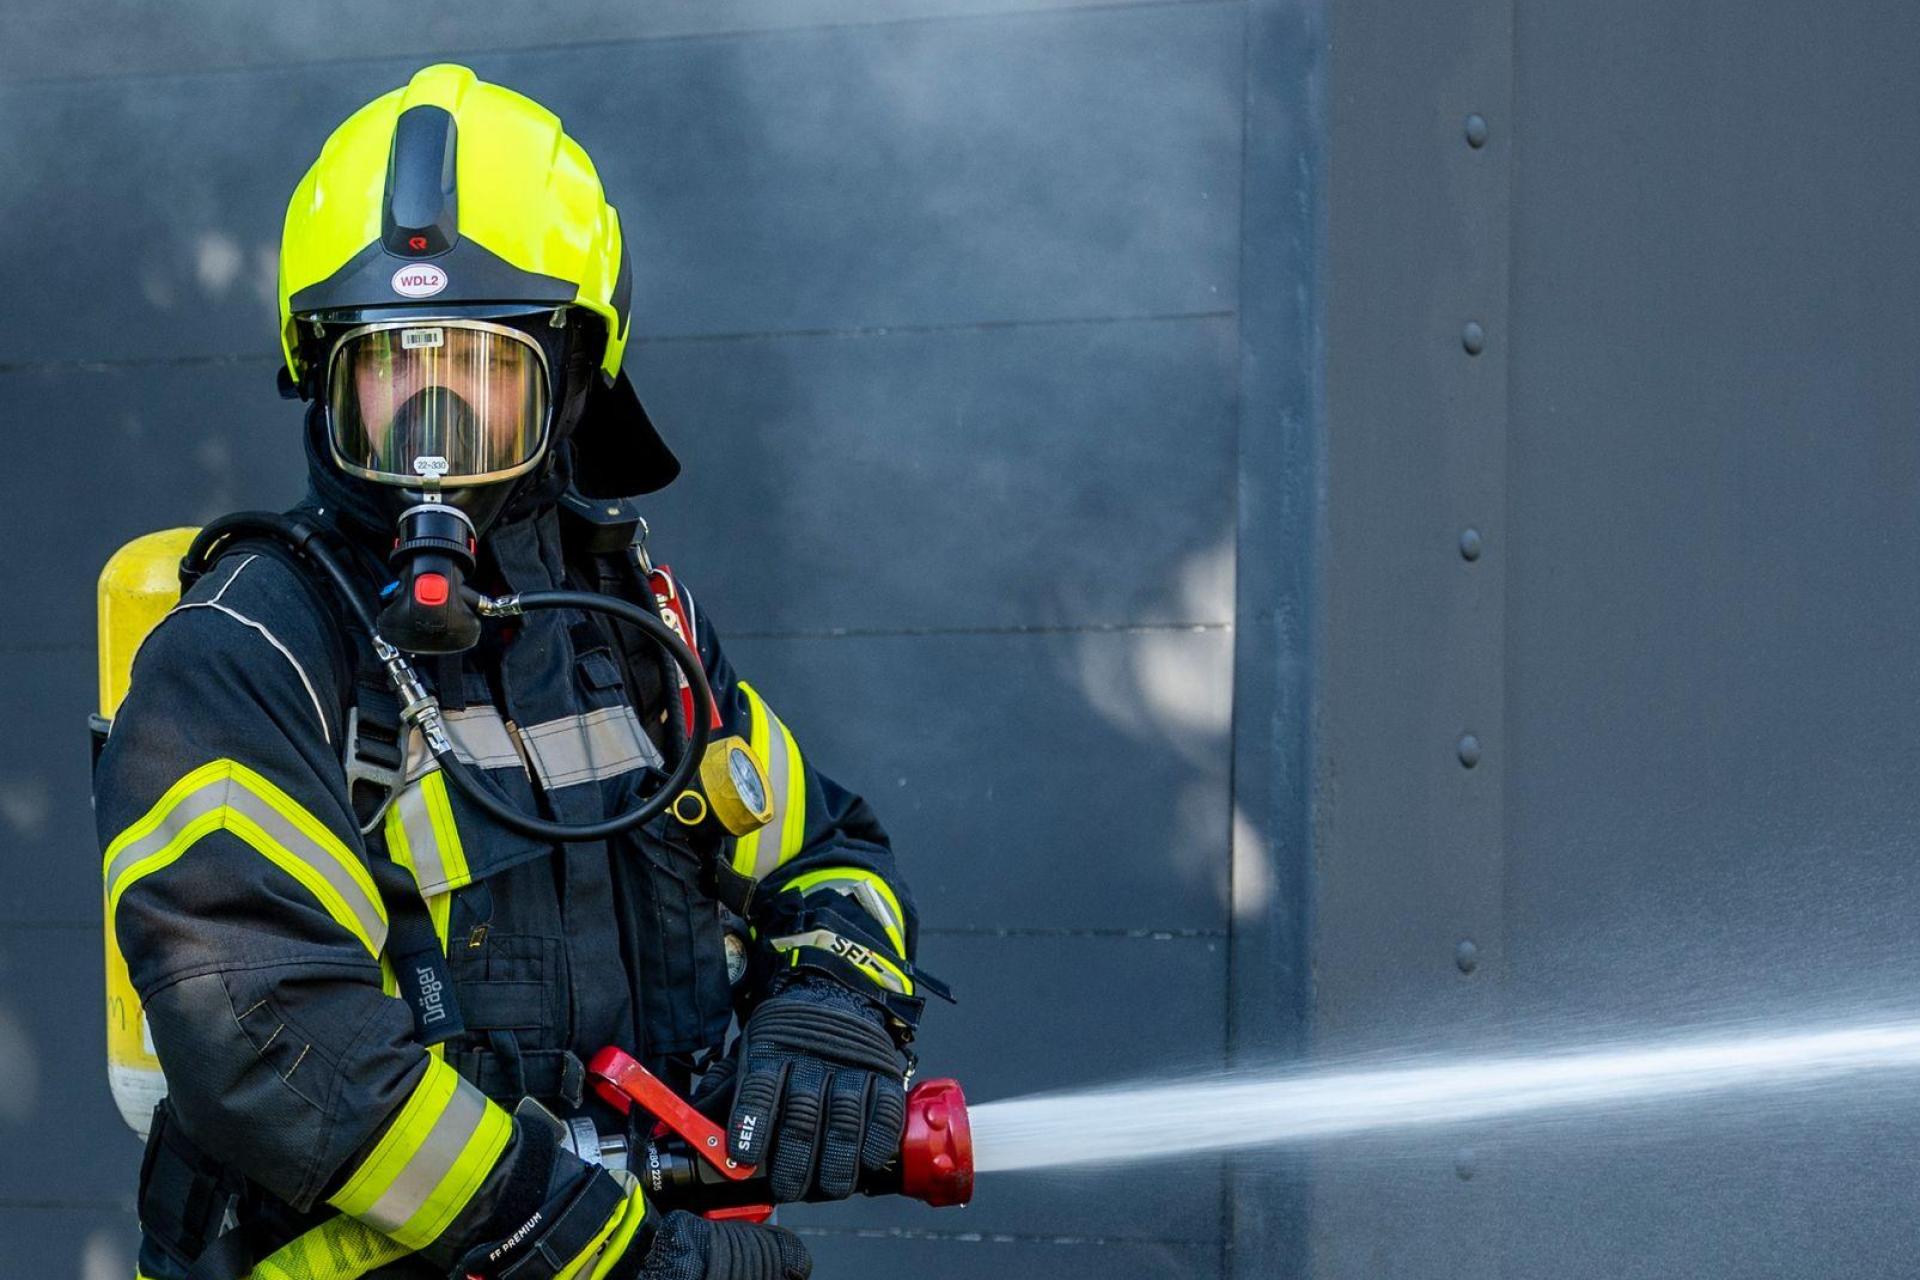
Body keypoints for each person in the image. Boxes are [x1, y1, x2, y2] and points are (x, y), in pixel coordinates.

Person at [95, 63, 938, 1280]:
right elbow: (269, 1040)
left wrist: (835, 1001)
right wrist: (608, 1253)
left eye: (479, 370)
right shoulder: (248, 651)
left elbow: (827, 849)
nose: (429, 424)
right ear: (323, 380)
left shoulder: (634, 630)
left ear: (573, 376)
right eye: (391, 369)